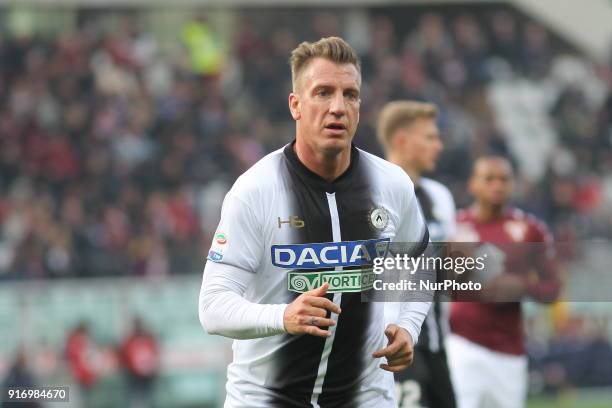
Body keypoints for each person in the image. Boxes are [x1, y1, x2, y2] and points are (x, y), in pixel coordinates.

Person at [198, 37, 431, 407]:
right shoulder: (255, 190)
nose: (337, 107)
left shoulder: (391, 184)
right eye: (322, 92)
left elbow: (419, 264)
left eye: (350, 94)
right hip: (264, 399)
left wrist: (408, 327)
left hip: (366, 399)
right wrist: (284, 315)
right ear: (296, 105)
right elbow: (212, 307)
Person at [448, 156, 560, 408]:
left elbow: (553, 288)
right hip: (463, 343)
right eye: (489, 179)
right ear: (473, 184)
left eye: (504, 179)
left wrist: (523, 287)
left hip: (510, 350)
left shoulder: (531, 229)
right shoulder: (454, 226)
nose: (497, 185)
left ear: (513, 184)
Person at [377, 101, 457, 408]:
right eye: (429, 137)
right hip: (396, 340)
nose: (438, 145)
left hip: (437, 342)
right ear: (401, 141)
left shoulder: (440, 196)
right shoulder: (375, 192)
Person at [120, 317, 160, 408]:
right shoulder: (133, 340)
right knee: (138, 398)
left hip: (143, 374)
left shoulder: (144, 340)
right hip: (136, 374)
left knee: (144, 398)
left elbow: (154, 354)